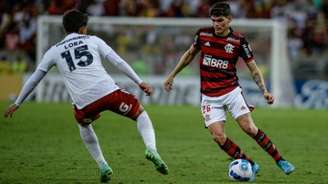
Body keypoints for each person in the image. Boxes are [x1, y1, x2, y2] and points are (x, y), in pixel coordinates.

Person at [4, 9, 168, 183]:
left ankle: (103, 165)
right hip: (109, 93)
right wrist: (139, 81)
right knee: (140, 114)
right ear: (82, 28)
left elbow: (35, 78)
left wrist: (18, 102)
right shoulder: (94, 40)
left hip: (84, 104)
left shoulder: (54, 51)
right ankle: (151, 148)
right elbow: (117, 61)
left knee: (83, 125)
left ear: (65, 29)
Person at [163, 2, 295, 180]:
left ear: (229, 20)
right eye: (214, 21)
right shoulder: (202, 35)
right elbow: (188, 55)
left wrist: (264, 90)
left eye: (220, 20)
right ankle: (249, 163)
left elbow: (254, 69)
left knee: (249, 128)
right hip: (209, 97)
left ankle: (280, 160)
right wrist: (172, 75)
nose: (217, 24)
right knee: (218, 137)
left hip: (231, 92)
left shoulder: (239, 41)